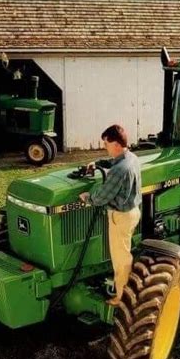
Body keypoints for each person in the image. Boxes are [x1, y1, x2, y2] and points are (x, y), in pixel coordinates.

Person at [79, 125, 141, 306]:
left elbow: (102, 196)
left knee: (121, 259)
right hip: (132, 212)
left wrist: (87, 198)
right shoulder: (132, 158)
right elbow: (114, 163)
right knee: (124, 253)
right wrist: (97, 164)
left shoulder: (119, 170)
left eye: (106, 143)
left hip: (120, 217)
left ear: (115, 144)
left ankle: (122, 297)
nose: (105, 146)